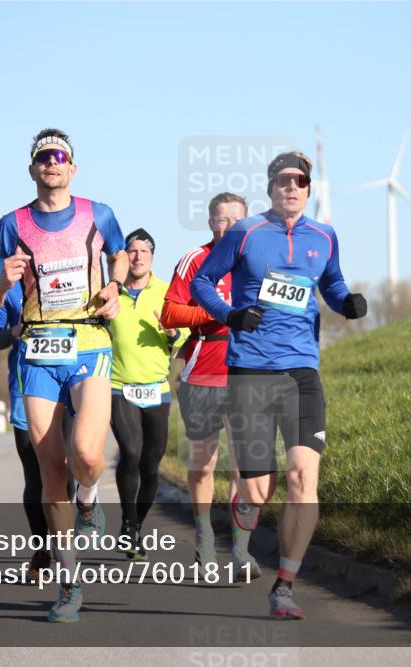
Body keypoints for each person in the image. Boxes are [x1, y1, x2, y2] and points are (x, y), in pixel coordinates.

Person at [189, 152, 367, 619]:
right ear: (270, 187)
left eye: (300, 181)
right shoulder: (245, 232)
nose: (291, 187)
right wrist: (229, 315)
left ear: (309, 189)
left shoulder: (324, 236)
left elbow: (331, 283)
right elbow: (202, 282)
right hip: (249, 370)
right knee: (257, 491)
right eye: (283, 180)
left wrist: (346, 302)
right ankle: (245, 509)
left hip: (301, 372)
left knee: (303, 477)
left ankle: (284, 587)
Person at [0, 128, 128, 623]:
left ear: (72, 167)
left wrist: (114, 287)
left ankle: (90, 500)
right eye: (44, 157)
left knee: (87, 455)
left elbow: (119, 254)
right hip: (37, 353)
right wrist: (3, 280)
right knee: (51, 472)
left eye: (60, 156)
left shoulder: (98, 213)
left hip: (88, 343)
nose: (52, 163)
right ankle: (69, 585)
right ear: (32, 169)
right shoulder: (12, 224)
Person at [161, 192, 261, 580]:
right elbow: (170, 312)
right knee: (203, 463)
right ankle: (204, 538)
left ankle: (241, 551)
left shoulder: (261, 262)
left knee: (243, 466)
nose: (230, 227)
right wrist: (218, 313)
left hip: (247, 372)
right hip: (202, 372)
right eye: (222, 220)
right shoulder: (195, 260)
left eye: (237, 220)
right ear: (210, 224)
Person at [0, 282, 74, 579]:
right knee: (35, 474)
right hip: (26, 387)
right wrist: (14, 331)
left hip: (70, 384)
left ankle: (64, 542)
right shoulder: (8, 287)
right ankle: (41, 548)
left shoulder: (69, 274)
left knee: (65, 471)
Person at [108, 228, 187, 559]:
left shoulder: (168, 293)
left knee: (151, 465)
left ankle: (136, 525)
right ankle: (127, 523)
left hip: (156, 388)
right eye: (132, 251)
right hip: (118, 386)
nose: (138, 256)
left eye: (144, 251)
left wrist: (173, 333)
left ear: (152, 256)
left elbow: (185, 334)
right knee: (130, 450)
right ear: (123, 258)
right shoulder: (110, 293)